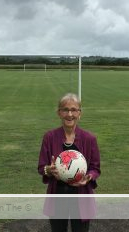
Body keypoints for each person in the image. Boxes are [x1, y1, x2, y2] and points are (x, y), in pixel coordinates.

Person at [38, 93, 101, 232]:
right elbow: (41, 167)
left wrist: (88, 177)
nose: (69, 114)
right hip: (58, 194)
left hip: (81, 195)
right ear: (59, 113)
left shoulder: (89, 139)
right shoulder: (49, 137)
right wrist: (49, 169)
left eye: (74, 110)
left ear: (80, 113)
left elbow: (95, 168)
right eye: (65, 109)